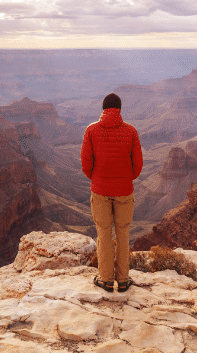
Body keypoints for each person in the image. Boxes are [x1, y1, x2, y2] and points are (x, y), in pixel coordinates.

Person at [80, 92, 143, 292]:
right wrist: (125, 178)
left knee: (104, 234)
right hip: (124, 190)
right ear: (119, 110)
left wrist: (97, 178)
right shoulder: (131, 131)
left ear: (103, 109)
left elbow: (86, 162)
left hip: (99, 191)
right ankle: (123, 280)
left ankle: (106, 279)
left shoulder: (91, 130)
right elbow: (138, 164)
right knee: (123, 234)